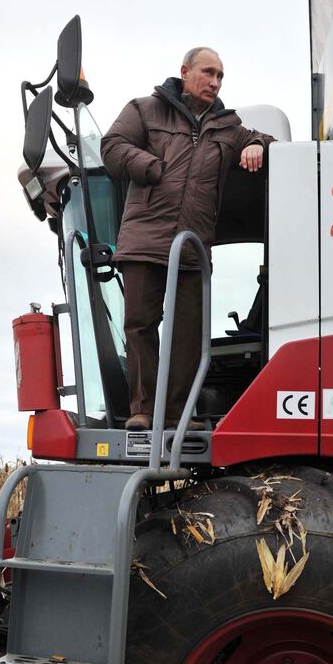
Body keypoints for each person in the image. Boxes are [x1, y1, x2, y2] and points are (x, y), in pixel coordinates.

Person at [101, 47, 274, 431]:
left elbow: (269, 140)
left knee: (188, 333)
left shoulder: (229, 127)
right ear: (184, 72)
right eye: (208, 73)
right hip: (145, 237)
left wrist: (256, 145)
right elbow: (112, 147)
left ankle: (179, 416)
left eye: (221, 77)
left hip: (194, 247)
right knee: (141, 323)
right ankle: (143, 410)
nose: (215, 82)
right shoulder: (145, 109)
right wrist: (152, 168)